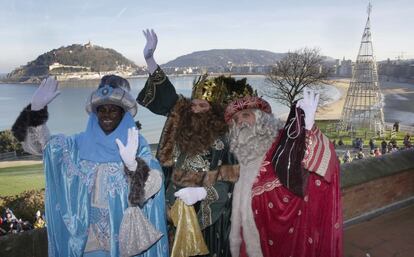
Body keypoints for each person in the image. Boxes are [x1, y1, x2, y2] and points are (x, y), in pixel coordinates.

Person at [11, 75, 168, 257]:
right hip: (86, 241)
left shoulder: (135, 144)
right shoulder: (77, 144)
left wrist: (133, 166)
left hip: (122, 241)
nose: (107, 115)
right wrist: (36, 111)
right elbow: (43, 147)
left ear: (124, 112)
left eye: (114, 110)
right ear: (95, 112)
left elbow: (154, 183)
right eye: (102, 109)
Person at [137, 29, 241, 257]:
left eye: (202, 106)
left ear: (213, 110)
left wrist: (204, 193)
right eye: (193, 104)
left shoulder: (227, 138)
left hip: (205, 217)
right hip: (169, 209)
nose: (195, 109)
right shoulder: (180, 120)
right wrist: (150, 59)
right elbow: (166, 95)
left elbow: (232, 179)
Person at [224, 89, 342, 257]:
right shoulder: (235, 154)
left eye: (246, 115)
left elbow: (321, 166)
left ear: (261, 117)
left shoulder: (283, 140)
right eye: (235, 120)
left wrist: (308, 129)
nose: (240, 122)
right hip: (250, 236)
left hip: (289, 232)